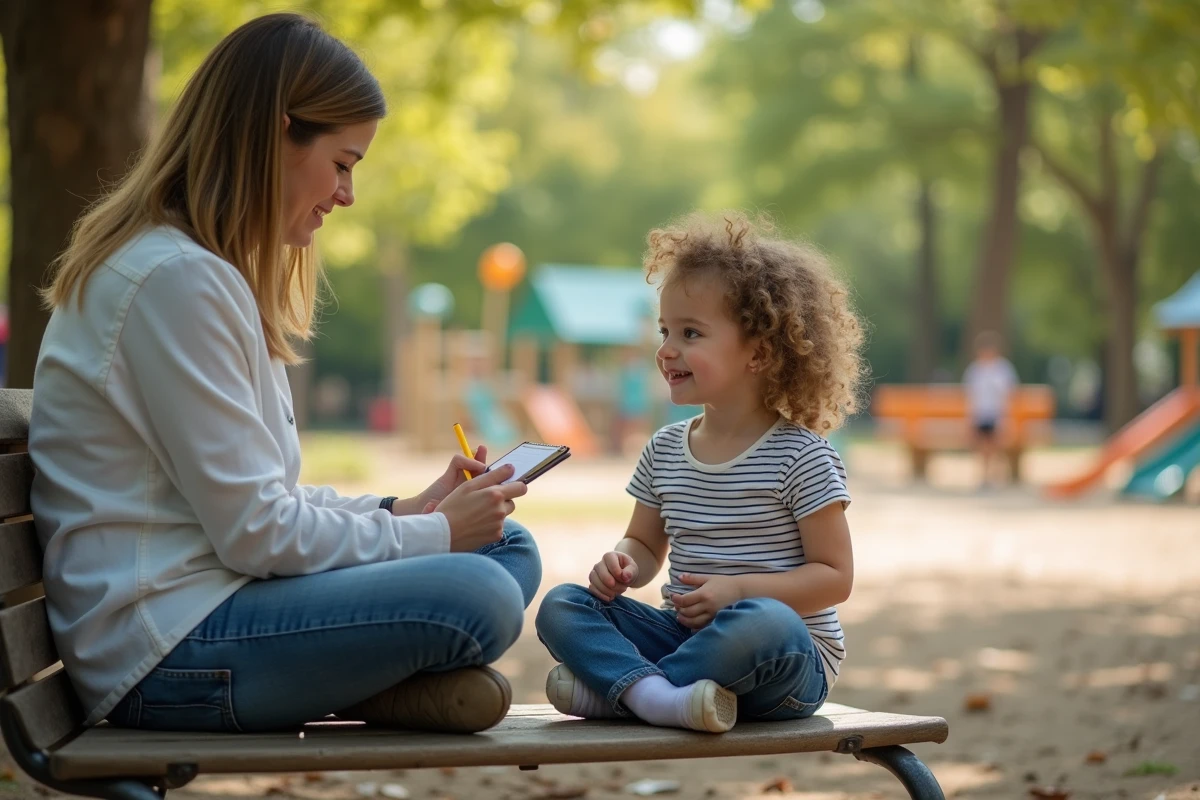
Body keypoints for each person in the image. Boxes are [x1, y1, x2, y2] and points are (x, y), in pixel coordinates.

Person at [29, 13, 539, 735]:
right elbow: (255, 534)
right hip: (166, 650)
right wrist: (431, 536)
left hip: (220, 603)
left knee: (506, 547)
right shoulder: (175, 281)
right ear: (276, 133)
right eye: (342, 163)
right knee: (480, 590)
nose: (346, 195)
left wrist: (407, 513)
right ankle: (372, 685)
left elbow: (261, 507)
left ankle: (362, 683)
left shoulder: (200, 272)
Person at [535, 212, 864, 733]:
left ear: (757, 352)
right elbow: (643, 547)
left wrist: (737, 593)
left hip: (785, 661)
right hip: (688, 642)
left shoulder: (802, 457)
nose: (667, 349)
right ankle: (658, 696)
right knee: (562, 604)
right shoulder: (665, 448)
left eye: (691, 333)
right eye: (665, 330)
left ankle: (630, 692)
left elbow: (835, 578)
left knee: (765, 622)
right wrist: (621, 565)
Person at [962, 331, 1019, 486]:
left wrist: (1007, 417)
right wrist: (970, 418)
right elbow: (971, 396)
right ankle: (984, 476)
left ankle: (994, 475)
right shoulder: (975, 370)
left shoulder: (1002, 369)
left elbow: (1008, 394)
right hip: (981, 414)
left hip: (997, 414)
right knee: (982, 447)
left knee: (995, 447)